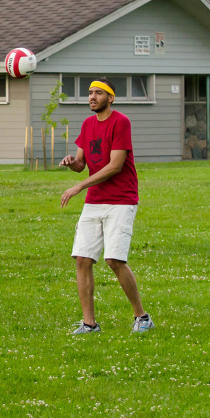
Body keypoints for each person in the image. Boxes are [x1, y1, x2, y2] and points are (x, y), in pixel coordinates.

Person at [59, 78, 154, 335]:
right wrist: (72, 163)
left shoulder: (121, 122)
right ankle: (89, 324)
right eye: (90, 93)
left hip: (121, 200)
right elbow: (81, 162)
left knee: (114, 260)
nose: (92, 97)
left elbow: (115, 165)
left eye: (98, 93)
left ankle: (142, 317)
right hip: (95, 201)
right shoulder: (87, 124)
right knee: (82, 259)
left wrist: (79, 186)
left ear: (110, 98)